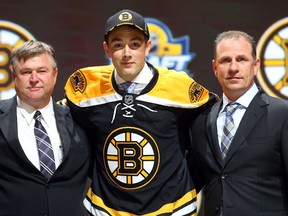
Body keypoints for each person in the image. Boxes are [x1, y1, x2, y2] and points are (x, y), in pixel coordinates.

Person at [63, 9, 216, 216]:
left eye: (135, 44)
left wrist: (186, 181)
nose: (127, 53)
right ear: (107, 49)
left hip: (173, 210)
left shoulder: (179, 87)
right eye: (118, 45)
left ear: (147, 47)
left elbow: (211, 134)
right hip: (105, 210)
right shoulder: (87, 87)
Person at [188, 30, 288, 216]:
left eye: (241, 59)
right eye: (225, 60)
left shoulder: (282, 114)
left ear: (256, 65)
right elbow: (187, 183)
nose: (233, 68)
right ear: (215, 68)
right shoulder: (201, 121)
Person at [0, 40, 91, 216]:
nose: (34, 79)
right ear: (14, 76)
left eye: (42, 71)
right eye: (26, 72)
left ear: (55, 74)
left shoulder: (79, 119)